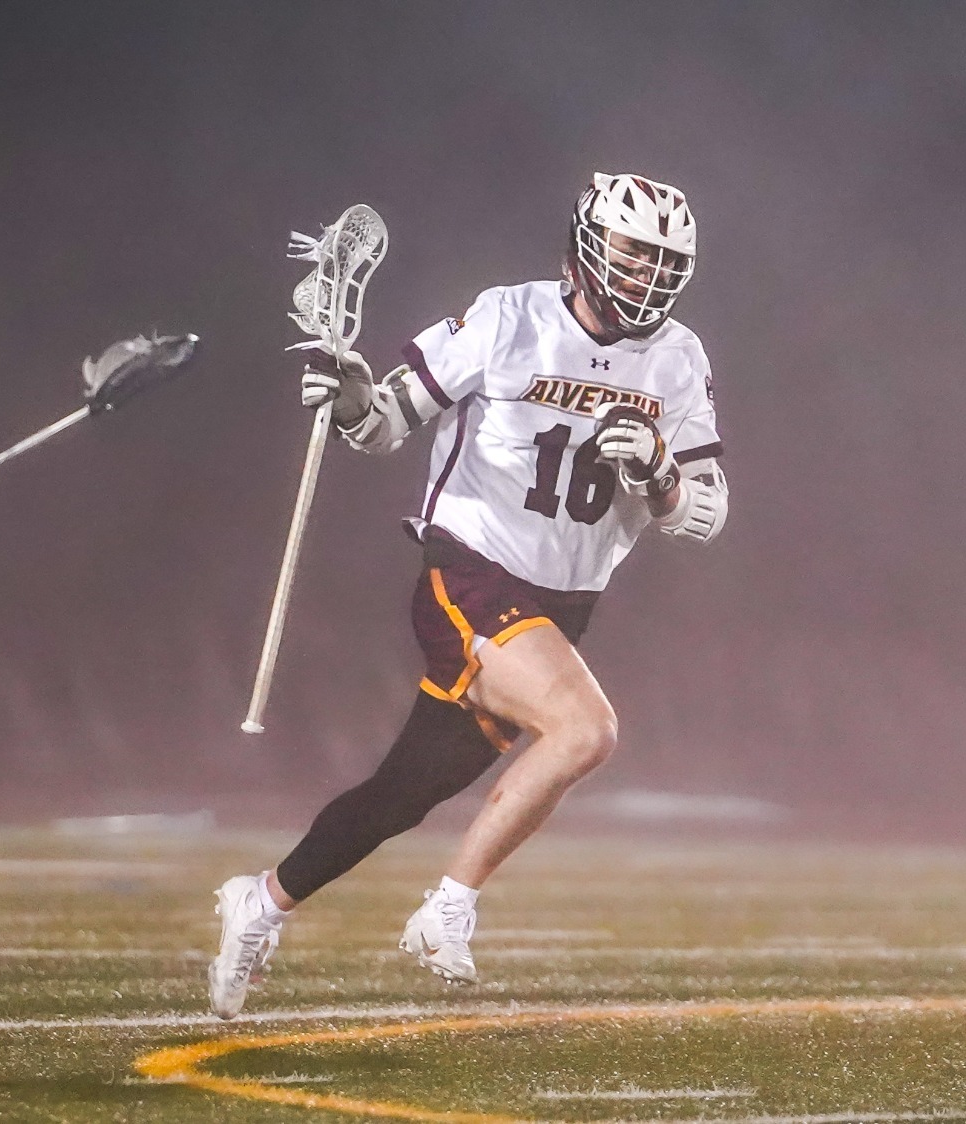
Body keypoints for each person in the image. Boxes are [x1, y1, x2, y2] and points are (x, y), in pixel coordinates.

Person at [209, 172, 728, 1018]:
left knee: (402, 794)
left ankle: (260, 901)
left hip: (563, 607)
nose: (646, 272)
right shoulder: (506, 317)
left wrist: (662, 472)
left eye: (663, 259)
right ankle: (448, 910)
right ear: (591, 245)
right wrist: (348, 398)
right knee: (586, 729)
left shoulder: (679, 358)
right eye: (634, 251)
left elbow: (703, 513)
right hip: (473, 573)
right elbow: (381, 423)